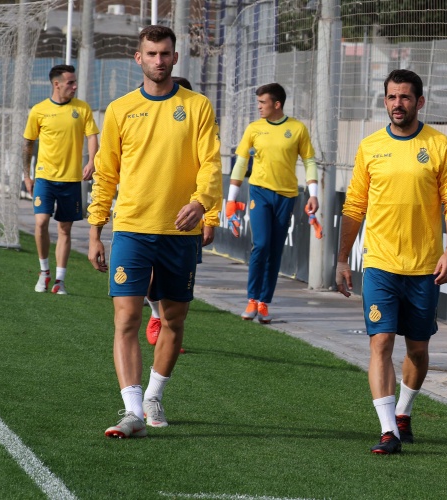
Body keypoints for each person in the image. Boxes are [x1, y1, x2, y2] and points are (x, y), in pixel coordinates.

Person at [87, 25, 222, 438]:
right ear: (138, 58)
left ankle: (153, 396)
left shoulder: (197, 106)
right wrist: (95, 230)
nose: (159, 60)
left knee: (173, 320)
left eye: (165, 53)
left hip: (179, 233)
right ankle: (131, 411)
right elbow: (106, 174)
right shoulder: (120, 109)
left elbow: (211, 164)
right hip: (131, 228)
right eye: (151, 53)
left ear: (175, 57)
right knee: (126, 317)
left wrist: (201, 204)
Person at [336, 69, 447, 455]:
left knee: (417, 351)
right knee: (381, 342)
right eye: (392, 97)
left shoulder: (439, 145)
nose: (398, 104)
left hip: (424, 268)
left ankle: (403, 412)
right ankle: (388, 430)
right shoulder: (370, 146)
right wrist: (342, 259)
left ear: (419, 102)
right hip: (380, 263)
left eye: (405, 97)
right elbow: (354, 206)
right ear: (385, 101)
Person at [225, 83, 318, 324]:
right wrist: (231, 199)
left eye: (262, 102)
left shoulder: (297, 129)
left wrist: (313, 193)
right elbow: (241, 163)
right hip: (260, 193)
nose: (258, 107)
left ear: (277, 104)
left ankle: (264, 302)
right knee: (262, 244)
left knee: (275, 249)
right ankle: (252, 298)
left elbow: (309, 161)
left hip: (286, 196)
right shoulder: (254, 128)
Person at [144, 75, 219, 351]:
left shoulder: (202, 124)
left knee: (176, 286)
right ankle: (156, 316)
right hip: (151, 217)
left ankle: (168, 328)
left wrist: (210, 218)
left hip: (189, 223)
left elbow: (212, 173)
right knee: (150, 275)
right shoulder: (151, 123)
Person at [22, 64, 99, 295]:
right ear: (57, 84)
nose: (75, 86)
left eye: (75, 82)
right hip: (45, 178)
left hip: (72, 180)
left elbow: (92, 136)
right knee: (41, 222)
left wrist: (92, 161)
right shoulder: (39, 110)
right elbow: (28, 144)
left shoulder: (82, 108)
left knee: (65, 229)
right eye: (70, 83)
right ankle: (44, 271)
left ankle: (59, 281)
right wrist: (27, 176)